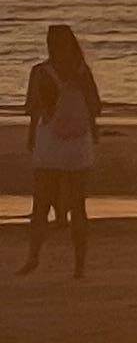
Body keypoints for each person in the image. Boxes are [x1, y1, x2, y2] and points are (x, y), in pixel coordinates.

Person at [21, 24, 101, 279]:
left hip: (50, 142)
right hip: (79, 143)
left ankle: (33, 257)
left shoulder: (41, 72)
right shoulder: (82, 72)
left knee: (41, 202)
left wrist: (32, 134)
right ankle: (79, 266)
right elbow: (95, 107)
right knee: (78, 205)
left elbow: (34, 108)